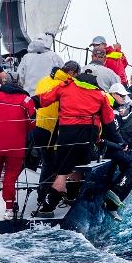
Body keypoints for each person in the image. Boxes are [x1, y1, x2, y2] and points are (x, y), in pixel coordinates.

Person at [32, 69, 124, 216]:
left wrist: (28, 102)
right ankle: (71, 196)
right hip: (88, 136)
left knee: (62, 173)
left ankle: (48, 208)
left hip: (67, 135)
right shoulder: (100, 94)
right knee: (79, 169)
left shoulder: (65, 86)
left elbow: (43, 100)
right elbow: (109, 122)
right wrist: (120, 142)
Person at [0, 73, 36, 220]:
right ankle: (9, 209)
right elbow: (32, 123)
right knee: (10, 177)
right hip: (16, 145)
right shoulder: (26, 100)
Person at [33, 60, 81, 206]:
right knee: (52, 166)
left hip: (39, 127)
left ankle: (44, 194)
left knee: (47, 163)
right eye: (77, 75)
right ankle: (44, 198)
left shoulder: (44, 80)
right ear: (72, 73)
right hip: (54, 131)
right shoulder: (66, 85)